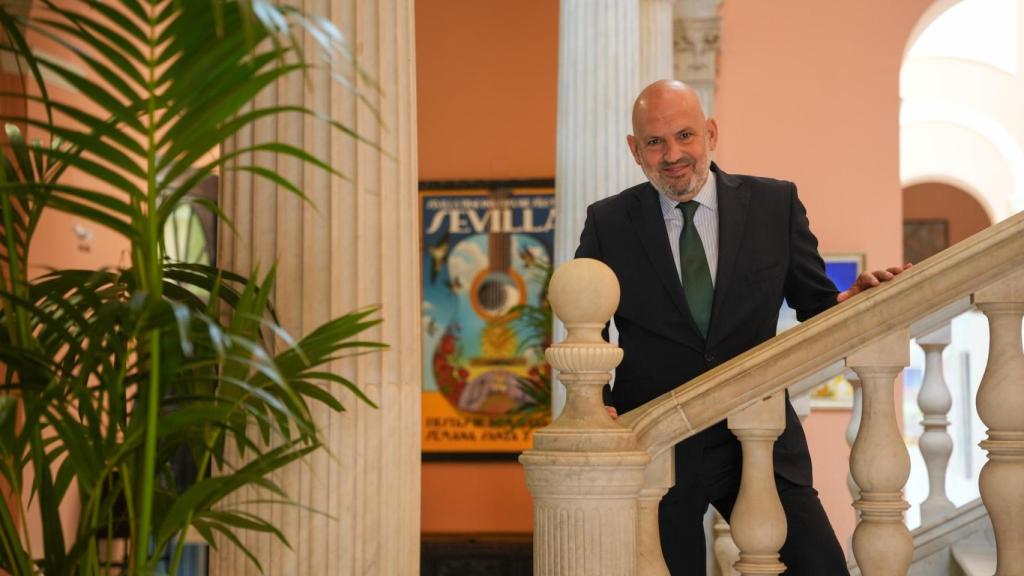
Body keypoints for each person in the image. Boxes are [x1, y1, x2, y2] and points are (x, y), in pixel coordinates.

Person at [574, 79, 909, 575]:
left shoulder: (775, 205)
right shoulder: (608, 223)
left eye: (685, 135)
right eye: (655, 142)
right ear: (634, 150)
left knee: (821, 568)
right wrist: (592, 400)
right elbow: (587, 326)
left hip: (759, 435)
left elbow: (815, 303)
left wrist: (850, 301)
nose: (672, 154)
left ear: (710, 133)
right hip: (655, 447)